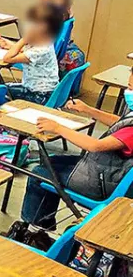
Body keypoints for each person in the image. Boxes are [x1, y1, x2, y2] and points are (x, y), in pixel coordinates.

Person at [20, 67, 133, 230]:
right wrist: (89, 110)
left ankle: (33, 230)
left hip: (103, 183)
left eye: (130, 87)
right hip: (109, 172)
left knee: (40, 173)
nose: (127, 92)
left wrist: (58, 128)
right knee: (51, 162)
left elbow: (95, 146)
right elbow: (120, 121)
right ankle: (42, 225)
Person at [0, 3, 64, 104]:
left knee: (0, 92)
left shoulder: (41, 50)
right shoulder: (45, 41)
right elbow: (27, 53)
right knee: (3, 88)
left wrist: (24, 40)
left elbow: (7, 58)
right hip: (43, 91)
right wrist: (11, 46)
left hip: (40, 96)